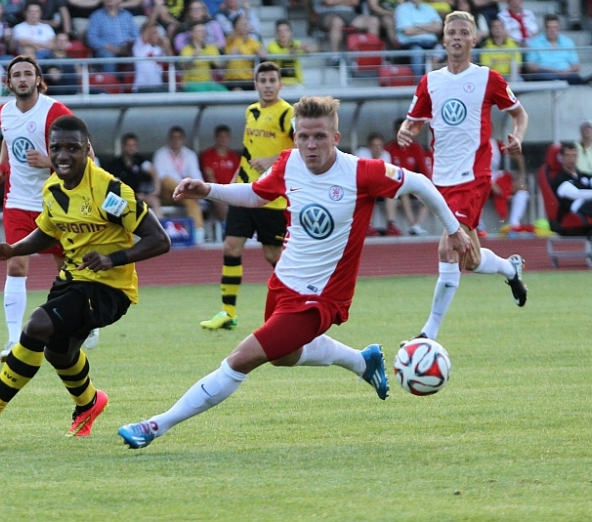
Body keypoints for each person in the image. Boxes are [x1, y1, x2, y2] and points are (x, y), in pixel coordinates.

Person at [117, 95, 473, 450]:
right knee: (283, 357)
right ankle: (361, 361)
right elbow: (257, 194)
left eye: (319, 136)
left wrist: (454, 230)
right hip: (283, 284)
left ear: (335, 138)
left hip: (320, 299)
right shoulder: (289, 162)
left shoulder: (362, 172)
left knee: (240, 360)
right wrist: (209, 190)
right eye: (303, 136)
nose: (310, 144)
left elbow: (420, 184)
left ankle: (155, 425)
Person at [0, 115, 171, 441]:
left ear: (87, 149)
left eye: (72, 148)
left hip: (110, 288)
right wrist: (12, 249)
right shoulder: (52, 188)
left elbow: (159, 239)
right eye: (56, 148)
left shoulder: (109, 191)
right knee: (58, 352)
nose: (63, 156)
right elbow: (47, 232)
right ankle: (89, 403)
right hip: (73, 279)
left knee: (38, 325)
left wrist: (111, 259)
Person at [397, 10, 530, 343]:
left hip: (473, 175)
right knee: (470, 258)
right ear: (444, 39)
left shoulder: (488, 78)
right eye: (452, 32)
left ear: (473, 39)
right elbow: (415, 121)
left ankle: (427, 335)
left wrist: (518, 136)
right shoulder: (430, 81)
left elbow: (519, 114)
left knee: (448, 248)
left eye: (463, 32)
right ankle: (509, 269)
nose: (457, 37)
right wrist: (406, 130)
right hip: (440, 179)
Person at [0, 56, 73, 360]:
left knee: (65, 268)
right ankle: (13, 341)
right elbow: (8, 140)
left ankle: (81, 321)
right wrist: (1, 169)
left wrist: (49, 161)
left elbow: (85, 153)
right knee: (15, 264)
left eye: (27, 74)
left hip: (55, 201)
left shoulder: (56, 112)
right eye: (16, 75)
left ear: (38, 79)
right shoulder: (3, 113)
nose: (22, 79)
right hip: (18, 200)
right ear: (8, 83)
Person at [203, 62, 293, 331]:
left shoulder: (287, 113)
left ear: (280, 84)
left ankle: (293, 305)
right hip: (245, 190)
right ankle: (228, 313)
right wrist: (233, 183)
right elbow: (248, 151)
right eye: (263, 81)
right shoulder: (251, 111)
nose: (268, 85)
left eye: (272, 80)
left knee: (272, 255)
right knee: (231, 246)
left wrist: (272, 160)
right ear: (256, 85)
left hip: (272, 197)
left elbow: (303, 147)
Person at [153, 126, 205, 241]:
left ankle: (198, 234)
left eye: (179, 138)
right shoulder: (161, 154)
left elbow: (196, 176)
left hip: (183, 195)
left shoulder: (190, 155)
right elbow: (161, 179)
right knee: (166, 180)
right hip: (166, 194)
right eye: (173, 137)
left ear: (183, 140)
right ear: (169, 139)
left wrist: (198, 188)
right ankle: (186, 191)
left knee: (191, 200)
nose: (176, 140)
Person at [522, 14, 592, 84]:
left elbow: (576, 66)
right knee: (544, 75)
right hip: (545, 73)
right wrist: (551, 71)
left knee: (573, 76)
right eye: (550, 27)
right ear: (544, 28)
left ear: (559, 28)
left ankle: (563, 80)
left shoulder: (567, 41)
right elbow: (530, 67)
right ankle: (580, 81)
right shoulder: (535, 42)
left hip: (565, 74)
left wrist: (568, 71)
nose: (553, 30)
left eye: (555, 27)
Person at [103, 132, 161, 215]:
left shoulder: (140, 161)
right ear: (123, 146)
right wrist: (132, 195)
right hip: (122, 197)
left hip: (141, 195)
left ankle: (159, 223)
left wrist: (156, 192)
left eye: (134, 145)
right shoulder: (115, 164)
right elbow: (112, 185)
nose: (131, 148)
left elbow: (153, 172)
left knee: (155, 201)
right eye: (129, 145)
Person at [396, 0, 443, 78]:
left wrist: (417, 26)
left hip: (432, 44)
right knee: (417, 51)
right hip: (411, 45)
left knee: (442, 48)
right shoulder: (401, 9)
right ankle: (419, 82)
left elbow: (439, 28)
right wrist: (430, 27)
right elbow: (408, 31)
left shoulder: (429, 8)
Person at [199, 124, 240, 222]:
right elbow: (210, 176)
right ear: (215, 138)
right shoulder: (208, 155)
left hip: (231, 190)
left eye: (225, 136)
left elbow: (237, 176)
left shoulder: (234, 156)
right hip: (213, 190)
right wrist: (221, 192)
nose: (223, 139)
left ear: (229, 138)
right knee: (220, 200)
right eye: (221, 136)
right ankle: (226, 225)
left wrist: (231, 191)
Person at [266, 19, 305, 85]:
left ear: (291, 33)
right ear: (276, 34)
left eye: (285, 30)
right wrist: (293, 50)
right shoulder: (272, 45)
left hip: (296, 83)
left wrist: (308, 49)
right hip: (278, 84)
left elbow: (311, 49)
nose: (282, 33)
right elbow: (279, 54)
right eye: (279, 31)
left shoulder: (296, 43)